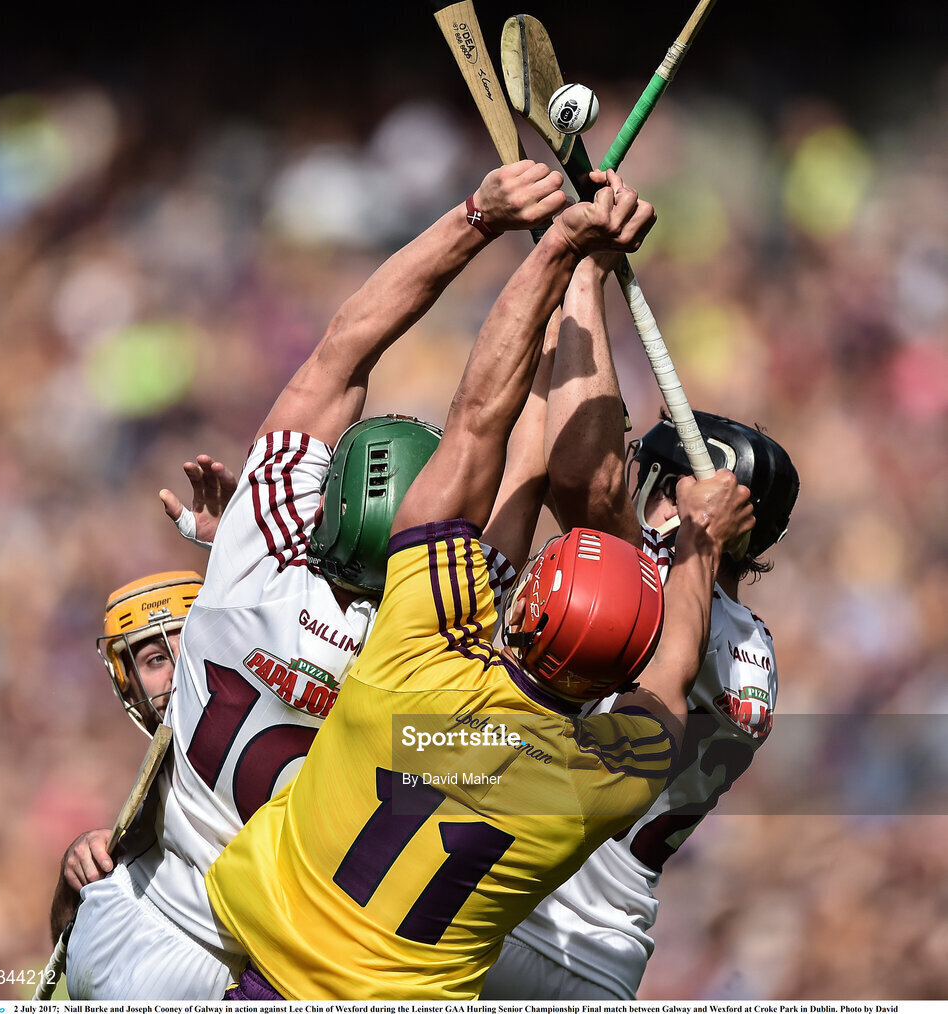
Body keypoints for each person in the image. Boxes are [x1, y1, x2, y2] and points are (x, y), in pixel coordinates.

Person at [204, 170, 755, 1000]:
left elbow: (474, 422)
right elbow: (667, 682)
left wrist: (561, 253)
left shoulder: (409, 658)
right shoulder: (599, 782)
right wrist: (700, 546)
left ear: (526, 608)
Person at [62, 159, 566, 1000]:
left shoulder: (250, 561)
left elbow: (348, 346)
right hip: (283, 961)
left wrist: (480, 215)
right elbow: (520, 465)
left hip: (140, 919)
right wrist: (565, 282)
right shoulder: (421, 647)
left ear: (328, 506)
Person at [480, 252, 800, 1000]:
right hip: (609, 957)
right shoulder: (758, 653)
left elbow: (582, 480)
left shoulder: (661, 584)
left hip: (520, 914)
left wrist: (579, 278)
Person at [48, 570, 203, 944]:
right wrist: (74, 881)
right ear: (128, 686)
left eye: (195, 646)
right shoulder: (144, 818)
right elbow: (69, 953)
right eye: (155, 660)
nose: (179, 672)